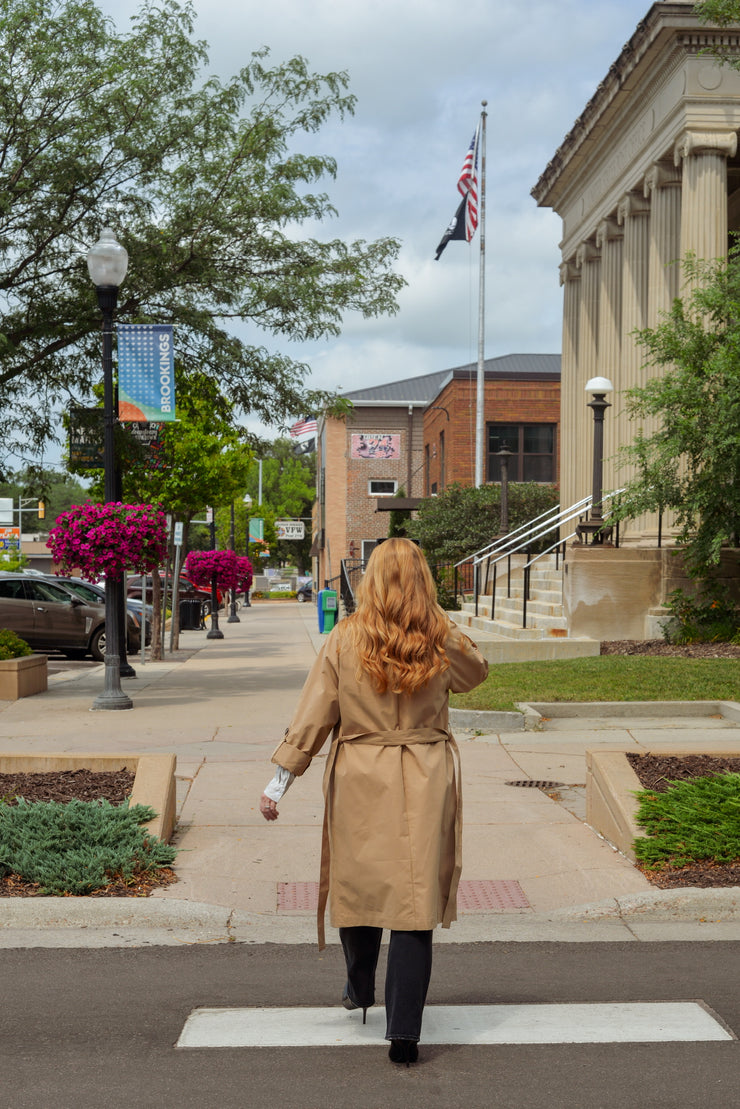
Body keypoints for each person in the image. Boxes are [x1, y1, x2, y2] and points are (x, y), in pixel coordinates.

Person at [259, 538, 488, 1065]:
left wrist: (279, 781)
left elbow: (314, 714)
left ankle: (360, 987)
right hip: (425, 773)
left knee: (359, 885)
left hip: (361, 773)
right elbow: (476, 672)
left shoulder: (345, 637)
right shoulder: (439, 638)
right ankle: (404, 1033)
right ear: (423, 580)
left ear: (372, 580)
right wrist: (441, 623)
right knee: (414, 902)